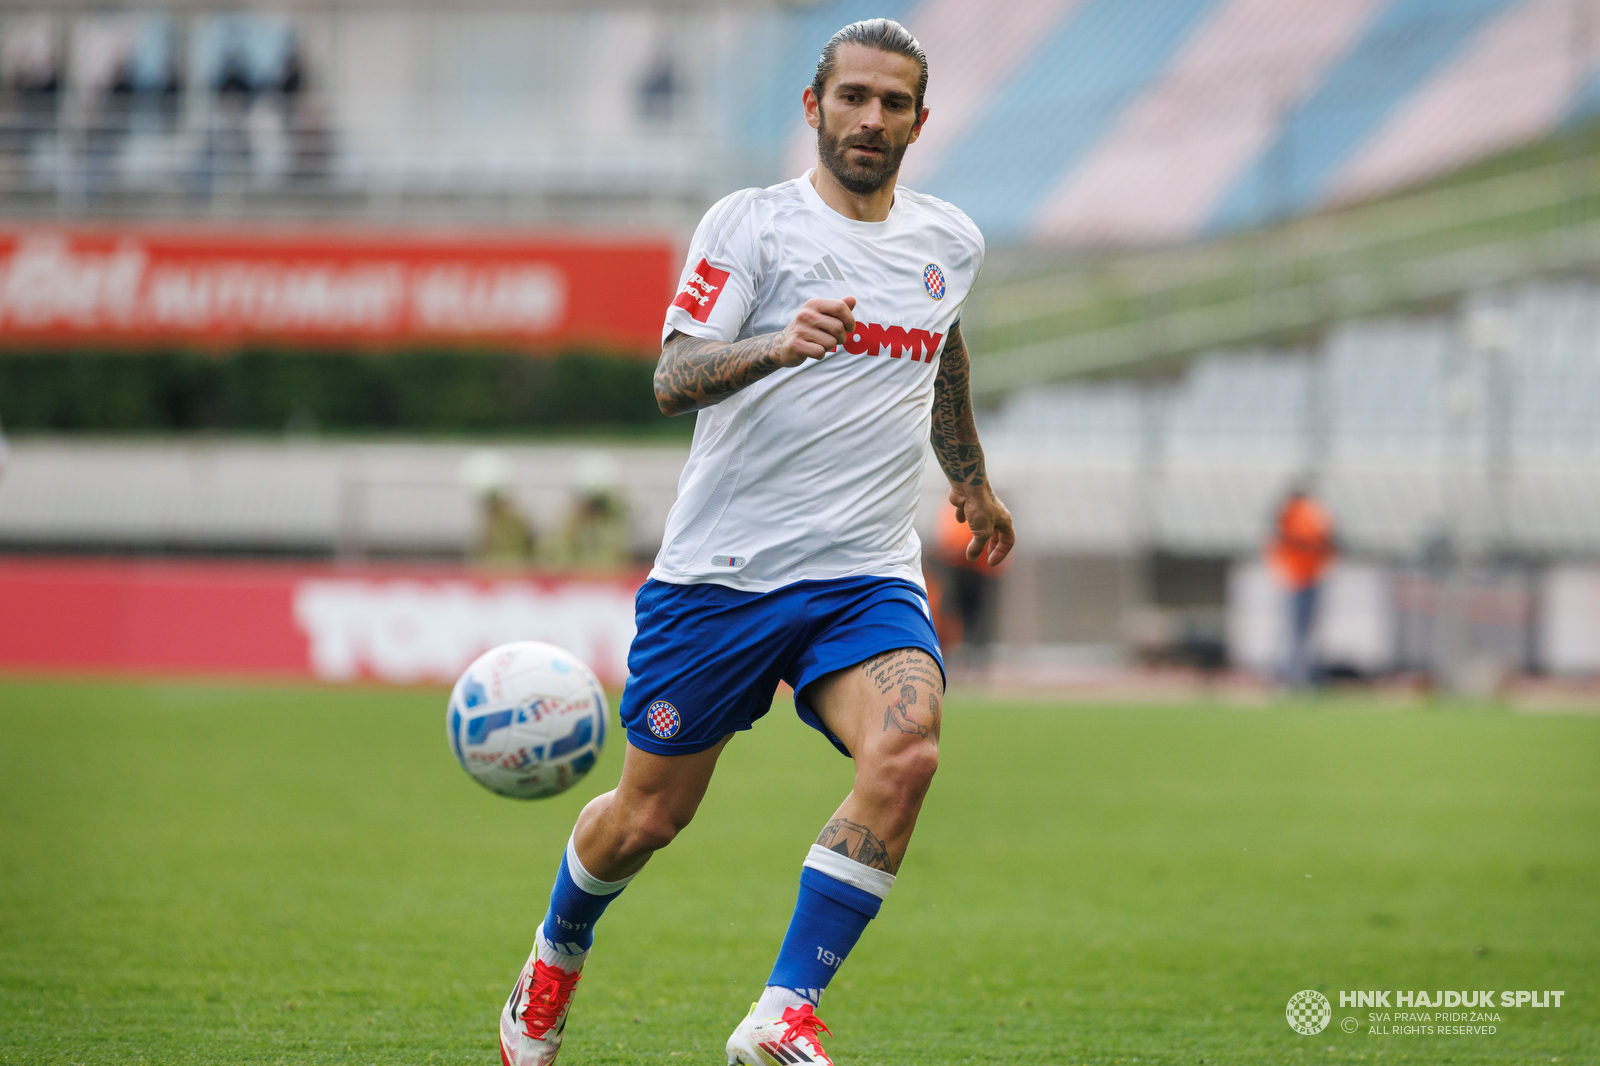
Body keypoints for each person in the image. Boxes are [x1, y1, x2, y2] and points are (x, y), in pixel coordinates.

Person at [499, 20, 1015, 1066]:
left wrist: (970, 482)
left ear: (921, 120)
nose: (871, 118)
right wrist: (779, 344)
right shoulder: (749, 227)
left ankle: (780, 1013)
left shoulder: (947, 240)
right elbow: (670, 376)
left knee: (907, 745)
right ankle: (556, 950)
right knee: (646, 818)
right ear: (813, 106)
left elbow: (943, 352)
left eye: (894, 103)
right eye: (854, 96)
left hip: (865, 575)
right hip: (721, 581)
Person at [1267, 485, 1336, 688]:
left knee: (1296, 632)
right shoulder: (1301, 514)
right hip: (1302, 578)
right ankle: (1295, 678)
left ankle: (1294, 676)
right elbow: (1317, 539)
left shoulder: (1291, 515)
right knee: (1299, 633)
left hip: (1300, 577)